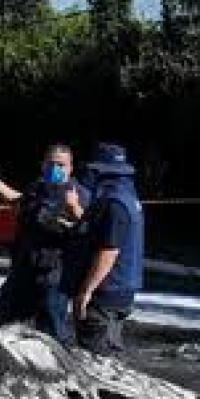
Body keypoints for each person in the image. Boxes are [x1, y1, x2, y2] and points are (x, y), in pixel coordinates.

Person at [0, 144, 87, 342]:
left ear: (71, 168)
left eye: (61, 165)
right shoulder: (37, 187)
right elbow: (19, 201)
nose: (55, 169)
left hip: (54, 273)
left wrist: (74, 207)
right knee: (4, 326)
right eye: (51, 164)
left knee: (51, 332)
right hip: (23, 268)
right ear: (42, 165)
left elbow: (88, 229)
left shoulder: (79, 194)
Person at [69, 143, 144, 356]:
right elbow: (100, 231)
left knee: (96, 358)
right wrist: (77, 212)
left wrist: (86, 290)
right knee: (109, 353)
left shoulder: (114, 204)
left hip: (106, 291)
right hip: (123, 288)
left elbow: (109, 251)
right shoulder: (129, 198)